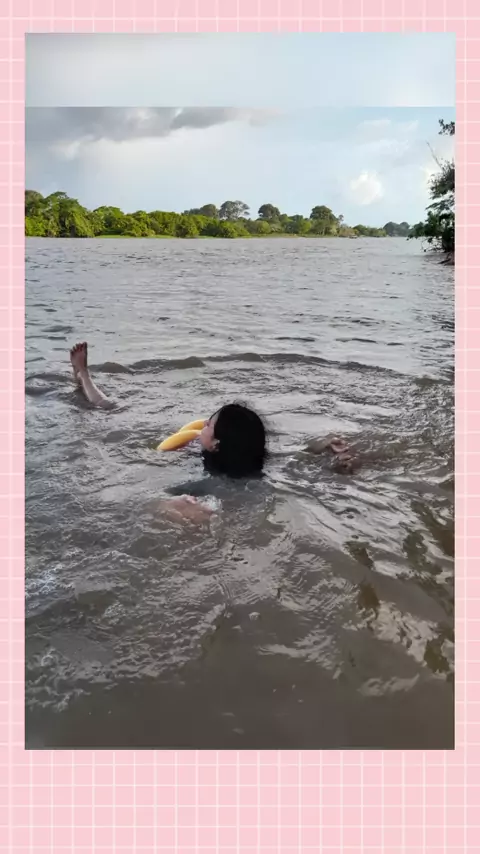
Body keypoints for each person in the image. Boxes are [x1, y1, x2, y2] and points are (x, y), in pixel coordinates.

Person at [69, 342, 354, 517]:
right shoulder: (259, 461)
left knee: (111, 409)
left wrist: (167, 504)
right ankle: (83, 376)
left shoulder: (203, 473)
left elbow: (142, 499)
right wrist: (326, 448)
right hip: (247, 494)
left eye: (208, 424)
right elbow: (300, 455)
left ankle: (83, 375)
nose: (202, 425)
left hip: (214, 494)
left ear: (215, 444)